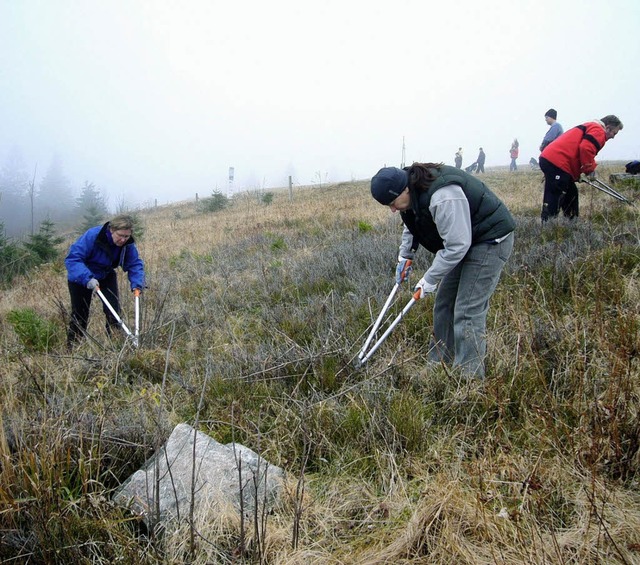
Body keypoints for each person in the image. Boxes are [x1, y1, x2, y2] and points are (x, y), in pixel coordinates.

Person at [370, 163, 515, 378]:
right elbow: (412, 221)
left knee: (467, 310)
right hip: (466, 240)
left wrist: (429, 279)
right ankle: (439, 366)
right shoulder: (410, 194)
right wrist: (405, 257)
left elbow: (457, 245)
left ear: (405, 189)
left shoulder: (442, 195)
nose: (392, 209)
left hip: (489, 239)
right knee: (444, 304)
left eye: (392, 203)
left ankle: (469, 379)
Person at [65, 214, 145, 347]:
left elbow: (134, 263)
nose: (123, 240)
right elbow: (73, 259)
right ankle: (73, 347)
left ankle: (115, 346)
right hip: (81, 277)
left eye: (126, 236)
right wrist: (87, 278)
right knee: (80, 315)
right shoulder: (93, 236)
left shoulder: (127, 244)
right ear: (112, 230)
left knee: (113, 313)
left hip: (106, 275)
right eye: (120, 235)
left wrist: (137, 284)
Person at [539, 115, 623, 222]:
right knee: (556, 194)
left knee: (571, 193)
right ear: (607, 128)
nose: (613, 137)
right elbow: (586, 148)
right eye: (614, 133)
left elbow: (577, 152)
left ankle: (571, 222)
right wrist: (589, 170)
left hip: (554, 160)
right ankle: (547, 225)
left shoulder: (591, 127)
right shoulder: (598, 130)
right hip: (557, 162)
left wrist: (576, 175)